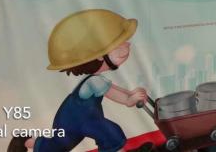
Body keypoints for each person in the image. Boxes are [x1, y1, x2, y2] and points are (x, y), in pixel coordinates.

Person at [8, 9, 147, 152]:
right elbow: (112, 93)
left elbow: (111, 88)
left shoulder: (97, 80)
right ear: (99, 55)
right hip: (74, 120)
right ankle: (28, 143)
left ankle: (29, 143)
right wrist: (128, 99)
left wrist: (130, 94)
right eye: (119, 45)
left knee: (103, 134)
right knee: (109, 133)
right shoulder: (95, 82)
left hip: (80, 118)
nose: (127, 45)